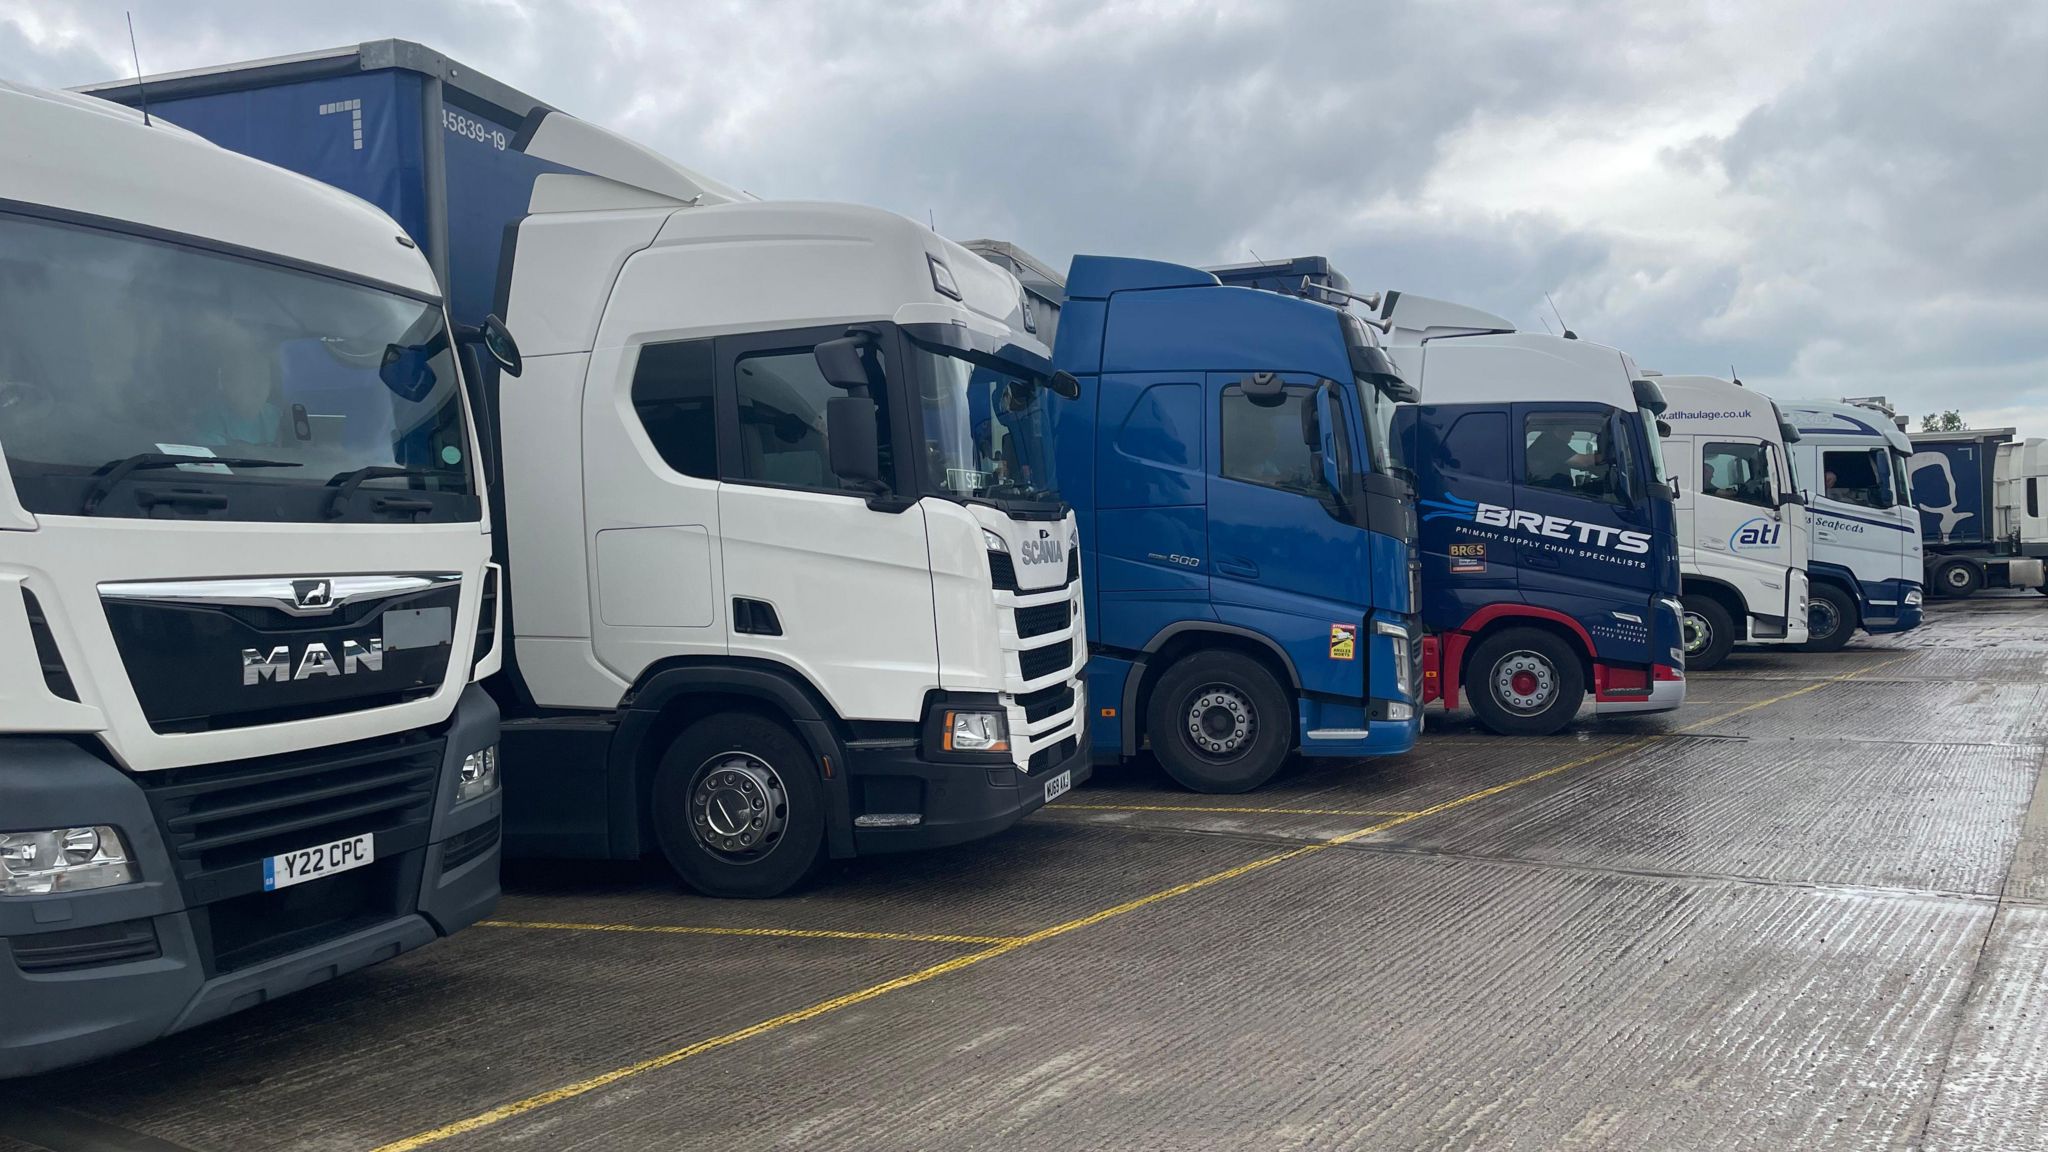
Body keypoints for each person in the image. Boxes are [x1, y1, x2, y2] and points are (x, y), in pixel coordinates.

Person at [1526, 426, 1604, 492]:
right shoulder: (1550, 442)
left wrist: (1594, 469)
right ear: (1560, 429)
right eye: (1570, 429)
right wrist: (1606, 457)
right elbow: (1582, 461)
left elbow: (1578, 465)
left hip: (1550, 489)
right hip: (1549, 490)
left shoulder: (1547, 441)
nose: (1573, 433)